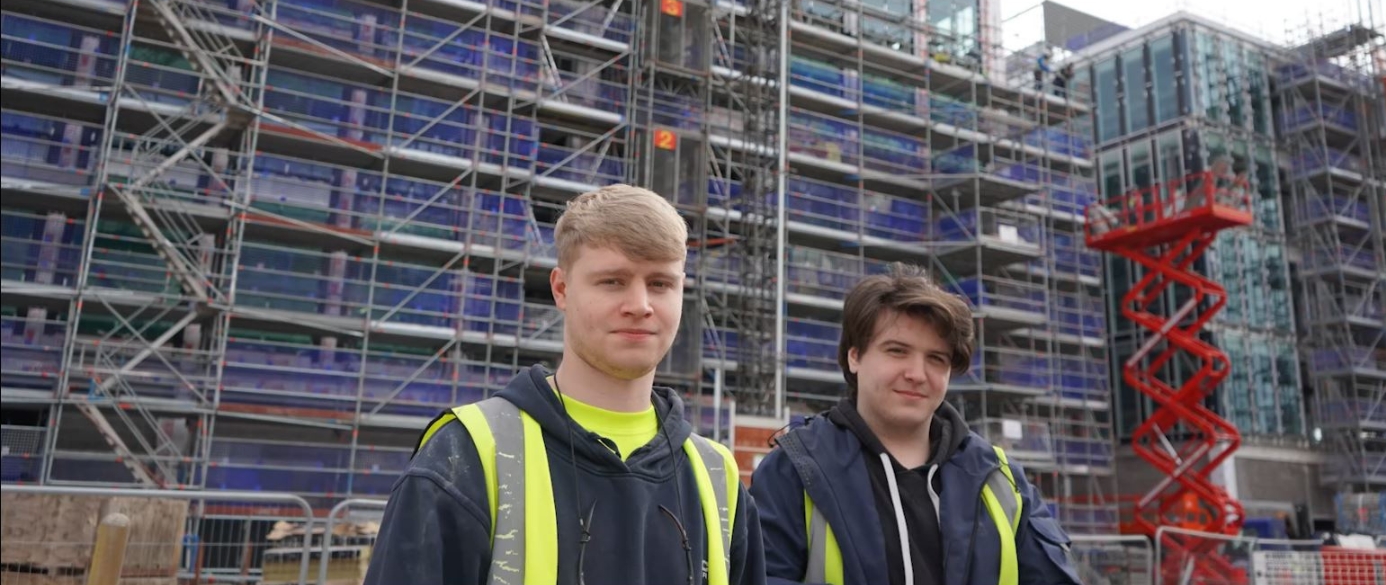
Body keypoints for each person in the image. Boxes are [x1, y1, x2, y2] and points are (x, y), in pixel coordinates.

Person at [365, 184, 766, 585]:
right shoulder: (467, 454)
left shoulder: (718, 477)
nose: (640, 304)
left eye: (661, 283)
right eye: (612, 281)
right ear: (561, 289)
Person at [750, 264, 1083, 585]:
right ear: (855, 356)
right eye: (897, 351)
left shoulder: (999, 480)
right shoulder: (796, 469)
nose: (916, 373)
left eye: (936, 359)